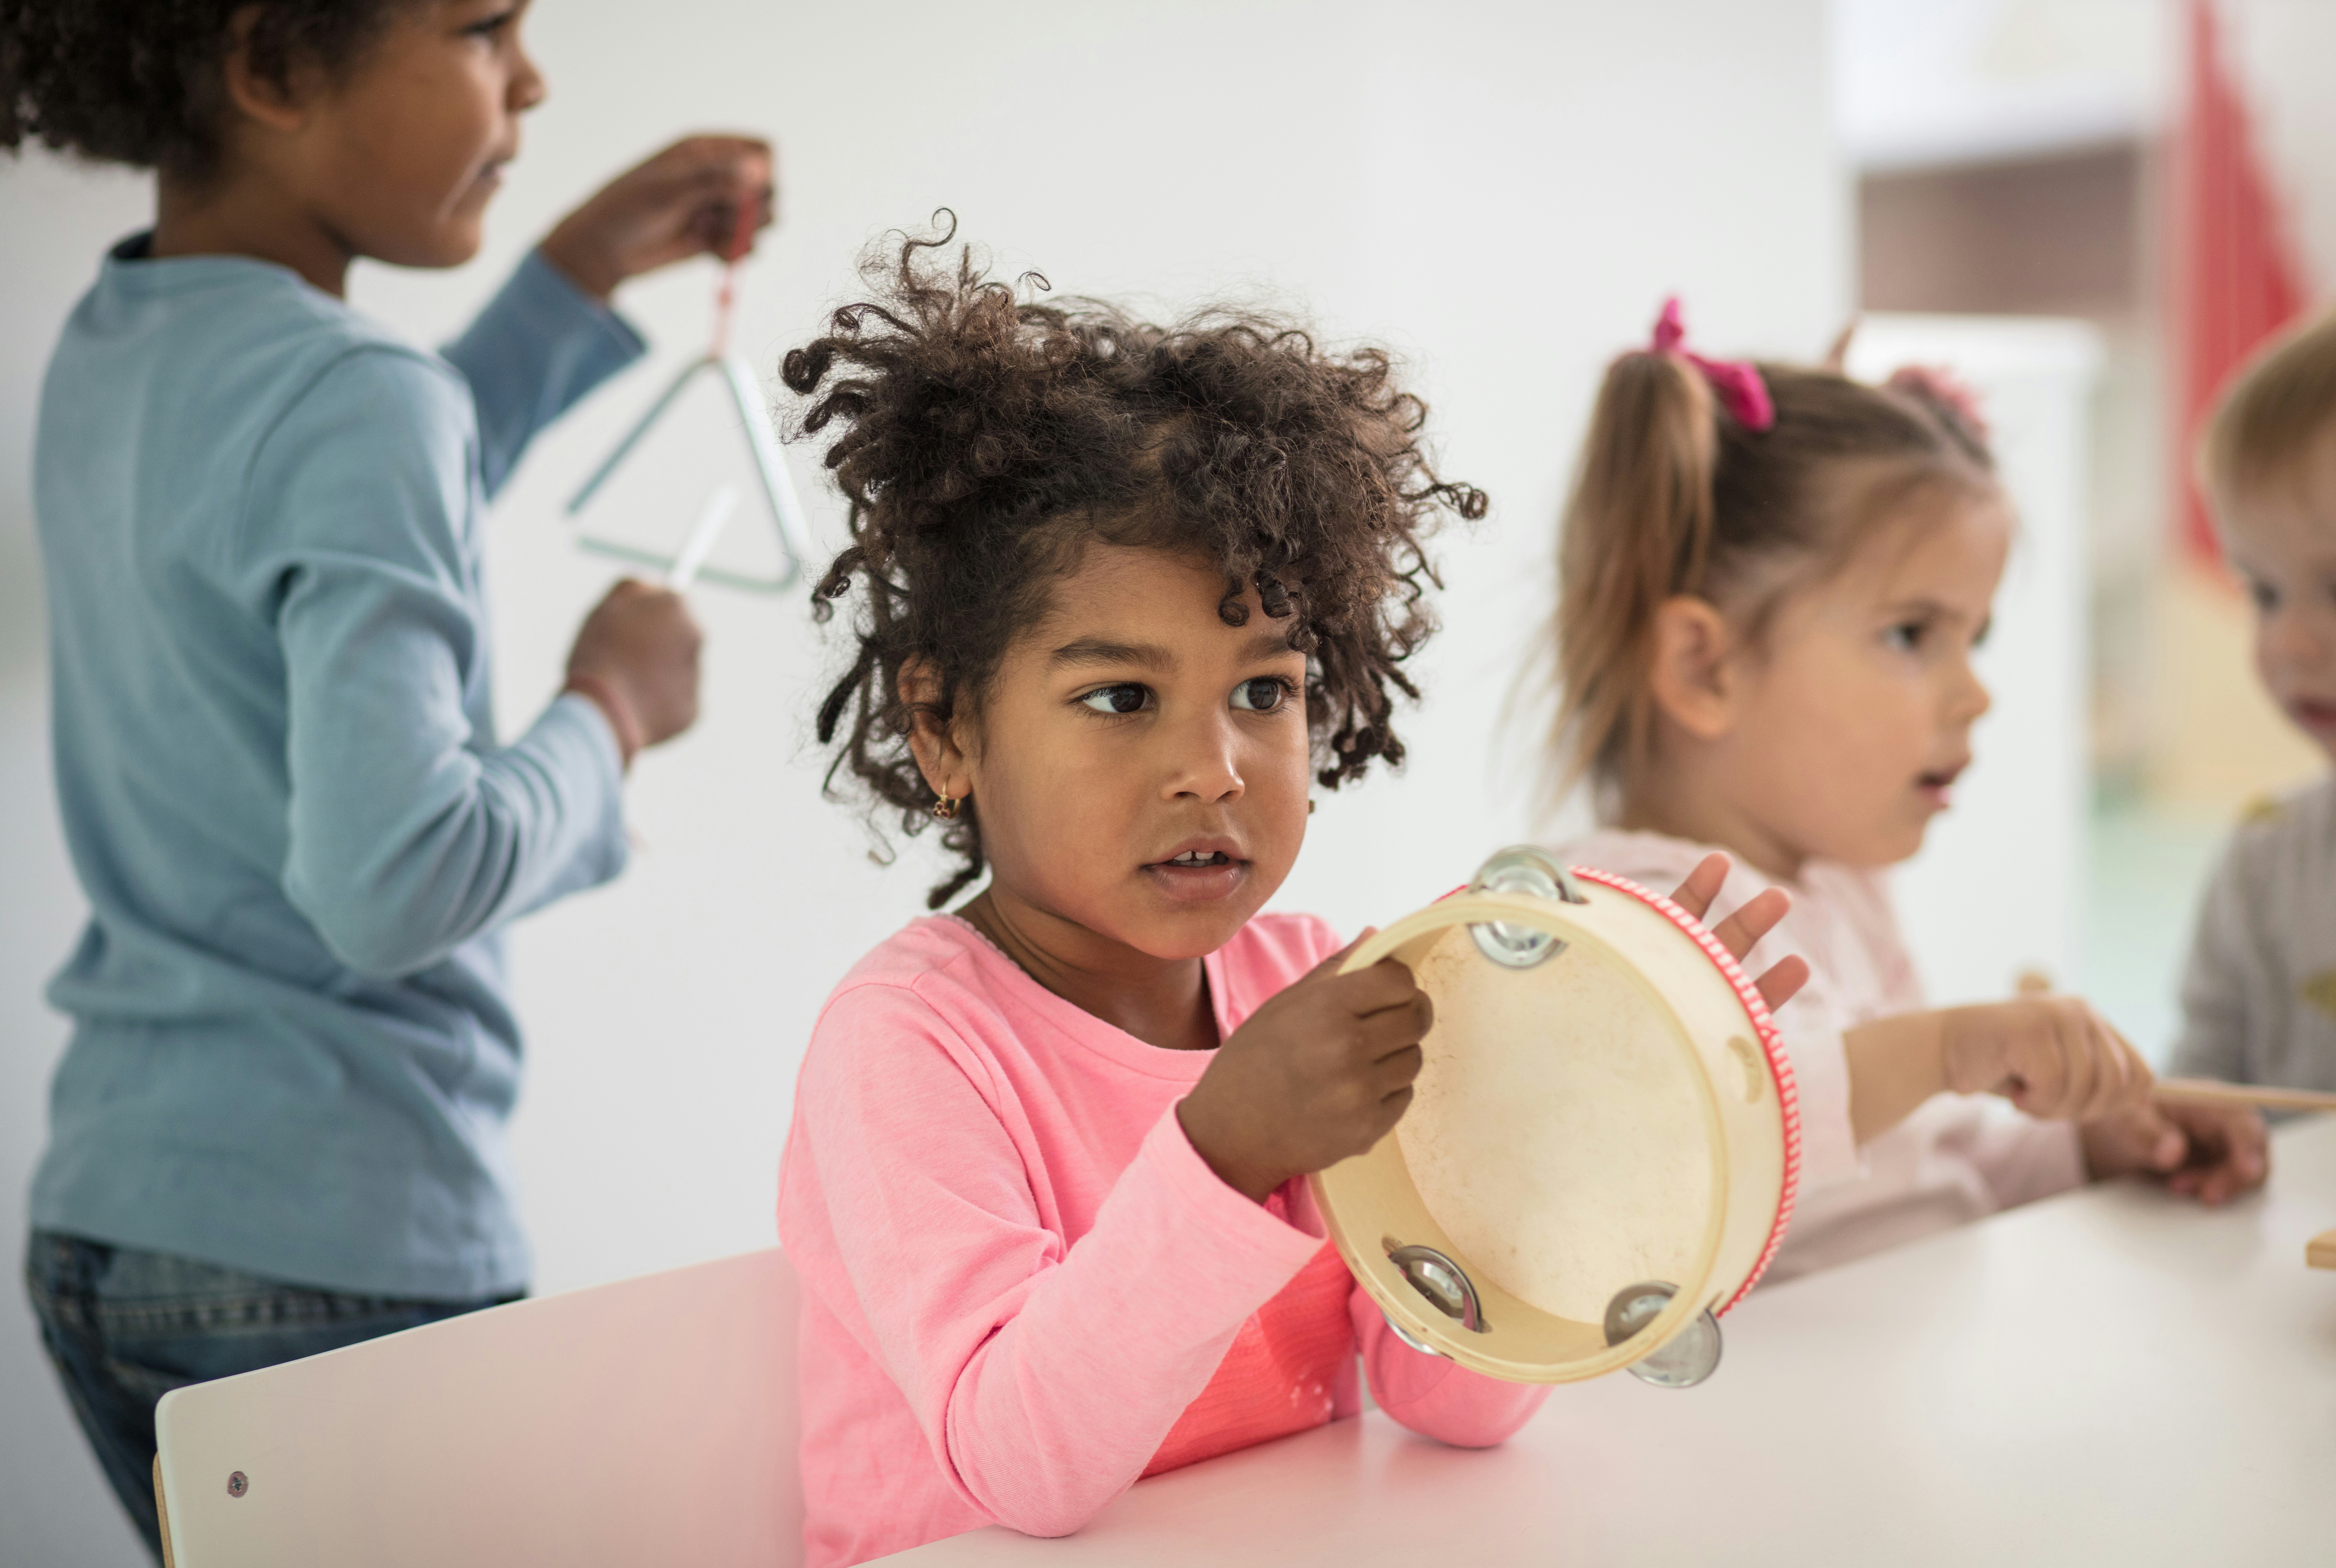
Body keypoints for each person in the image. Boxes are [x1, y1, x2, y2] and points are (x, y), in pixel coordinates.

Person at [771, 230, 1809, 1567]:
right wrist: (1222, 1153)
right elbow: (1019, 1469)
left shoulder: (1312, 984)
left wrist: (1570, 1112)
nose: (1212, 772)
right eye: (1119, 700)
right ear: (945, 727)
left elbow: (1449, 1405)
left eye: (1264, 691)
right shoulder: (908, 1046)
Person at [4, 1, 765, 1553]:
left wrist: (574, 269)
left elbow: (343, 486)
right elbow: (400, 878)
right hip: (335, 1255)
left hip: (113, 1224)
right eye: (484, 29)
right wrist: (608, 713)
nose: (534, 77)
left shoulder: (117, 337)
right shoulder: (357, 398)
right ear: (273, 66)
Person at [1536, 301, 2267, 1284]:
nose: (1975, 692)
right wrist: (1950, 1047)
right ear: (1704, 667)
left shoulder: (1840, 885)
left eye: (1977, 637)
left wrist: (2098, 1143)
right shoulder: (1617, 923)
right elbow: (1711, 1146)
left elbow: (1933, 1164)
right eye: (1912, 635)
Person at [2176, 293, 2336, 1105]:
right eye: (2265, 591)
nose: (2290, 642)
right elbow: (2201, 1081)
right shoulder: (2267, 857)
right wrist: (2171, 1131)